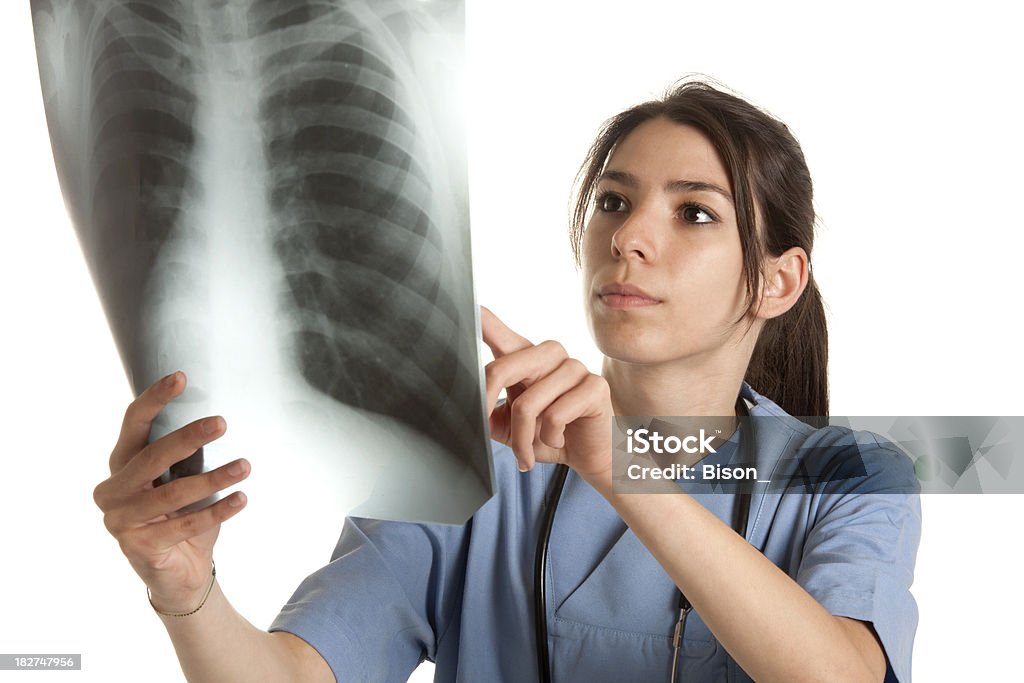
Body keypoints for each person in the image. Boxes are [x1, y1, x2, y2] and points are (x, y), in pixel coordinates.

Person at [93, 80, 921, 682]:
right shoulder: (470, 460)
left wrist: (616, 468)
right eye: (612, 201)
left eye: (694, 212)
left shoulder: (850, 475)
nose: (629, 237)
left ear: (779, 281)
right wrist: (186, 588)